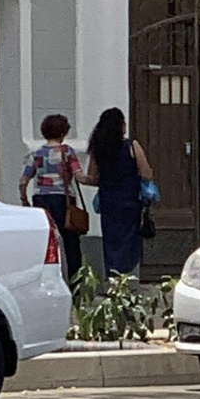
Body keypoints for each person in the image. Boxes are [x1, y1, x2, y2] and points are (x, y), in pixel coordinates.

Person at [84, 105, 153, 277]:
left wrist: (79, 177)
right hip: (130, 201)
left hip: (109, 201)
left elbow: (93, 178)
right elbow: (146, 173)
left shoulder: (98, 149)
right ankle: (128, 274)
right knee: (130, 239)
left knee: (111, 240)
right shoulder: (131, 146)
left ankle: (112, 274)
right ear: (121, 125)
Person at [19, 112, 84, 280]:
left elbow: (23, 181)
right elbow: (79, 176)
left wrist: (24, 200)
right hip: (64, 201)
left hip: (41, 200)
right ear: (63, 132)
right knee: (71, 243)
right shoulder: (67, 152)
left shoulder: (36, 153)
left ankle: (46, 279)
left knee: (47, 242)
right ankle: (75, 284)